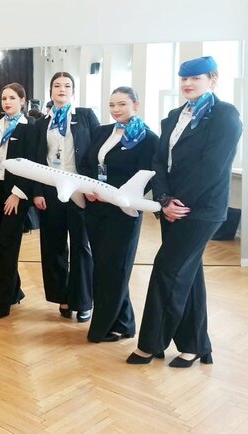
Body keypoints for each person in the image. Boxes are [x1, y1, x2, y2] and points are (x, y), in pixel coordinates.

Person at [127, 56, 242, 367]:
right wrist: (164, 198)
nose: (188, 84)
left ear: (213, 80)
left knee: (167, 269)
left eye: (196, 78)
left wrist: (177, 202)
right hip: (172, 206)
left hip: (201, 210)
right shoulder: (174, 116)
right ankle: (195, 345)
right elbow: (159, 161)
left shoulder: (225, 115)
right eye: (184, 79)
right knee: (187, 274)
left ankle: (150, 344)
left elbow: (212, 168)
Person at [83, 86, 158, 343]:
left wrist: (113, 195)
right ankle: (124, 322)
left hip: (123, 211)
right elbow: (88, 163)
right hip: (95, 208)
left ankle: (103, 328)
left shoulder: (148, 139)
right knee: (102, 266)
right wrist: (90, 188)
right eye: (112, 105)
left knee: (115, 269)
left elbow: (145, 178)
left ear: (136, 105)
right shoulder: (102, 131)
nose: (116, 109)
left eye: (122, 104)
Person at [32, 72, 99, 322]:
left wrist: (95, 186)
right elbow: (36, 159)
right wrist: (37, 192)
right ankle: (62, 296)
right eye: (57, 85)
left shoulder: (85, 116)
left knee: (82, 246)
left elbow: (96, 152)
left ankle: (84, 300)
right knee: (54, 246)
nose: (62, 89)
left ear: (73, 91)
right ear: (50, 91)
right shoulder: (42, 123)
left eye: (67, 85)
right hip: (51, 190)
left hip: (80, 189)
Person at [0, 84, 34, 320]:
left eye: (12, 98)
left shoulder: (30, 128)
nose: (7, 102)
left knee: (7, 246)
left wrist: (18, 193)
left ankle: (0, 305)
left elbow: (33, 163)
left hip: (16, 194)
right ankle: (13, 291)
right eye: (4, 98)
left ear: (22, 101)